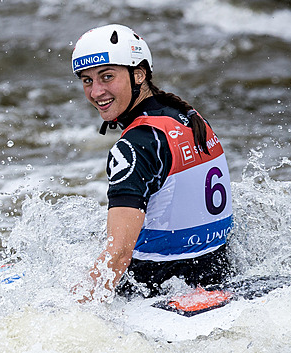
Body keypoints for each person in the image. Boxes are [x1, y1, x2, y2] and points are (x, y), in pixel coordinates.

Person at [71, 24, 234, 301]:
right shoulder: (188, 117)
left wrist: (72, 309)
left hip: (158, 291)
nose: (96, 92)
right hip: (219, 275)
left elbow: (119, 254)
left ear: (138, 75)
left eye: (107, 77)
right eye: (87, 80)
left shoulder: (135, 147)